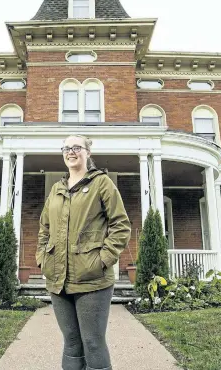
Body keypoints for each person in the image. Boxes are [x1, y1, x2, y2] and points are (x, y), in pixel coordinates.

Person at [36, 134, 131, 370]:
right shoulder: (57, 189)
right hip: (58, 279)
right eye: (66, 148)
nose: (71, 152)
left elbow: (121, 225)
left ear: (88, 153)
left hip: (93, 280)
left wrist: (103, 260)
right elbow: (44, 228)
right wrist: (42, 259)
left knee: (93, 342)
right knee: (70, 342)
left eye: (77, 147)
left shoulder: (101, 183)